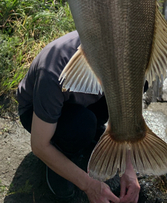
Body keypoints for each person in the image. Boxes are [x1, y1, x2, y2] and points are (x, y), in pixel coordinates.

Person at [17, 31, 141, 203]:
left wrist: (128, 167)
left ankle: (92, 131)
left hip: (81, 101)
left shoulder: (121, 57)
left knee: (140, 85)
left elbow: (124, 112)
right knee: (81, 126)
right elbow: (39, 146)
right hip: (37, 113)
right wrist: (89, 185)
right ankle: (62, 152)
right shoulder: (54, 72)